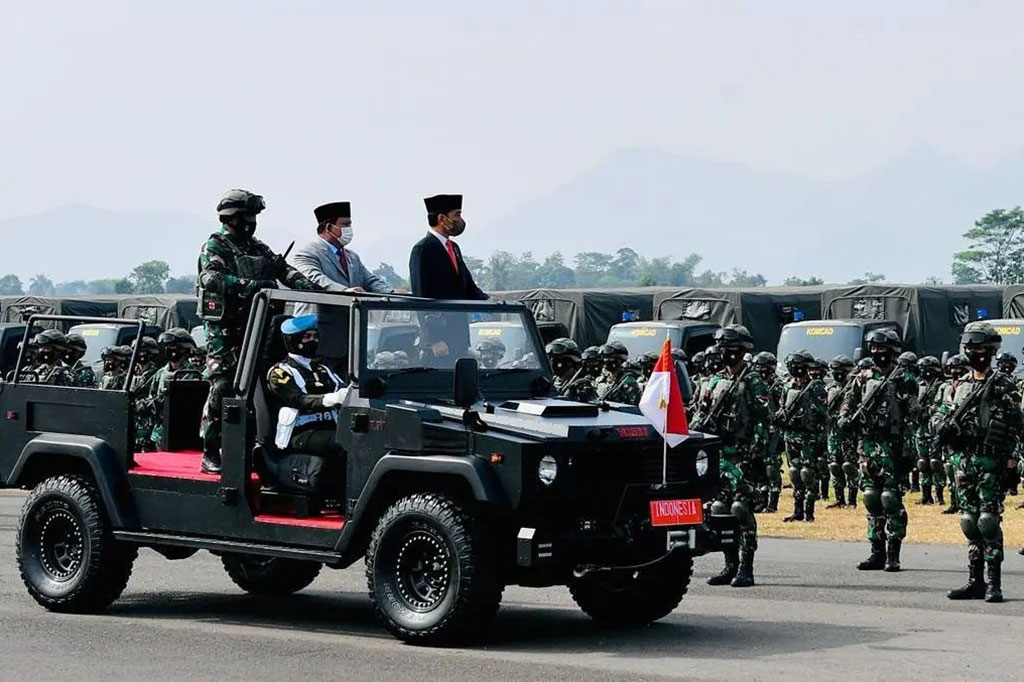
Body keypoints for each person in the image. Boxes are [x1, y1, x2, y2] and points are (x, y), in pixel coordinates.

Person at [197, 189, 321, 474]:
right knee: (223, 386)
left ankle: (263, 445)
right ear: (232, 217)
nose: (251, 222)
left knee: (269, 383)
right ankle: (210, 450)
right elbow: (211, 278)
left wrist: (313, 290)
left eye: (254, 217)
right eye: (247, 217)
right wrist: (254, 287)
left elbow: (285, 271)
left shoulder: (257, 247)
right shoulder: (216, 246)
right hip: (224, 331)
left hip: (256, 326)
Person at [935, 322, 1022, 603]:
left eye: (982, 349)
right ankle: (975, 581)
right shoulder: (958, 385)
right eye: (972, 349)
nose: (976, 354)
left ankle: (994, 583)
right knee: (969, 521)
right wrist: (942, 426)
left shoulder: (1002, 385)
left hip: (991, 462)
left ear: (993, 351)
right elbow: (939, 414)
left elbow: (1016, 426)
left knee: (988, 521)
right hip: (964, 461)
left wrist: (1012, 463)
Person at [691, 325, 767, 588]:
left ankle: (746, 567)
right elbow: (700, 413)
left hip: (742, 455)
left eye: (730, 348)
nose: (725, 353)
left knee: (740, 509)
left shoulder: (753, 381)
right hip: (719, 455)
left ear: (743, 351)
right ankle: (730, 565)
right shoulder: (714, 380)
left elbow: (764, 420)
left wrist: (757, 453)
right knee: (719, 510)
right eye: (722, 348)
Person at [838, 329, 918, 573]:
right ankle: (876, 551)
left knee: (890, 499)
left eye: (882, 349)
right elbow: (849, 400)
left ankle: (893, 553)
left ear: (892, 350)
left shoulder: (904, 378)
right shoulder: (862, 376)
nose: (877, 353)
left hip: (893, 447)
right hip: (867, 446)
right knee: (871, 498)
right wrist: (844, 417)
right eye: (873, 348)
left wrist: (908, 451)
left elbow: (913, 415)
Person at [291, 201, 394, 362]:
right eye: (345, 224)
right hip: (316, 338)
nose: (349, 229)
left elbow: (370, 280)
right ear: (328, 228)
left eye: (350, 224)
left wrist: (392, 293)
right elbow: (315, 279)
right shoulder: (307, 253)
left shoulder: (352, 257)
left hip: (348, 340)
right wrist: (344, 291)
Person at [266, 315, 348, 459]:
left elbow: (342, 388)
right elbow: (298, 400)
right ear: (293, 340)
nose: (313, 341)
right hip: (299, 433)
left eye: (315, 336)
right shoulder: (280, 372)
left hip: (330, 427)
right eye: (307, 337)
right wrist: (330, 399)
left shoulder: (322, 367)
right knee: (345, 443)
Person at [409, 194, 488, 302]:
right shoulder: (423, 249)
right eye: (457, 215)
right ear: (442, 219)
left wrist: (489, 300)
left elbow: (469, 288)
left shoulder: (454, 248)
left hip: (460, 312)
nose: (460, 220)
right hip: (440, 312)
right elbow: (421, 293)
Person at [778, 351, 827, 523]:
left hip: (808, 437)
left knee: (808, 474)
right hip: (790, 435)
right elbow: (782, 407)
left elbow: (824, 412)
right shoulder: (787, 385)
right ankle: (797, 511)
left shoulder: (816, 386)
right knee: (794, 473)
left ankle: (809, 512)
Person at [149, 329, 200, 449]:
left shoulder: (194, 373)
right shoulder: (160, 373)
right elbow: (152, 395)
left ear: (183, 349)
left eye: (173, 347)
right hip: (161, 431)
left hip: (183, 432)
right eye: (167, 346)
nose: (169, 350)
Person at [751, 351, 782, 513]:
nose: (760, 370)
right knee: (757, 464)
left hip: (772, 430)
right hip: (756, 430)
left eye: (762, 367)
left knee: (771, 466)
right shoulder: (753, 384)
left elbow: (782, 408)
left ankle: (773, 501)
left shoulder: (778, 385)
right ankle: (760, 499)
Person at [825, 355, 857, 508]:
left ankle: (852, 499)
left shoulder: (854, 387)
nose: (838, 374)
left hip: (848, 432)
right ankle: (839, 498)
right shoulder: (829, 388)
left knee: (849, 465)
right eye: (835, 370)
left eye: (841, 371)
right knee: (834, 465)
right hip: (833, 432)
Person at [915, 356, 946, 506]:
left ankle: (939, 495)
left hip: (934, 429)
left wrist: (930, 411)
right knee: (923, 463)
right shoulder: (919, 385)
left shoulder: (941, 386)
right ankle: (926, 495)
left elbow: (943, 405)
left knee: (936, 463)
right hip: (921, 429)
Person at [548, 338, 597, 403]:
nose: (552, 361)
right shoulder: (552, 381)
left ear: (570, 362)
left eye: (557, 358)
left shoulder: (581, 385)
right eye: (551, 358)